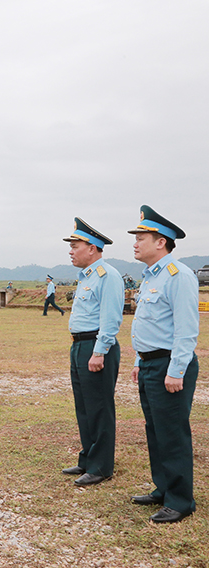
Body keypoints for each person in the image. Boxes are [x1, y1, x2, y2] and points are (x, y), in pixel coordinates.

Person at [128, 206, 199, 523]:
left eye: (140, 238)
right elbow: (151, 325)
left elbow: (186, 330)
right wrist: (139, 360)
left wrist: (176, 370)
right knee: (155, 430)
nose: (135, 243)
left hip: (169, 365)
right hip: (150, 364)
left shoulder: (177, 275)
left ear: (161, 242)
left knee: (172, 433)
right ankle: (164, 488)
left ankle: (181, 501)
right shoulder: (151, 277)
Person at [61, 218, 124, 486]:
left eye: (75, 246)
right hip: (80, 345)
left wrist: (99, 352)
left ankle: (100, 467)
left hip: (96, 345)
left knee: (99, 407)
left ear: (92, 248)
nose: (71, 251)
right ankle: (88, 459)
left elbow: (111, 318)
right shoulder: (86, 276)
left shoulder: (107, 276)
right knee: (84, 406)